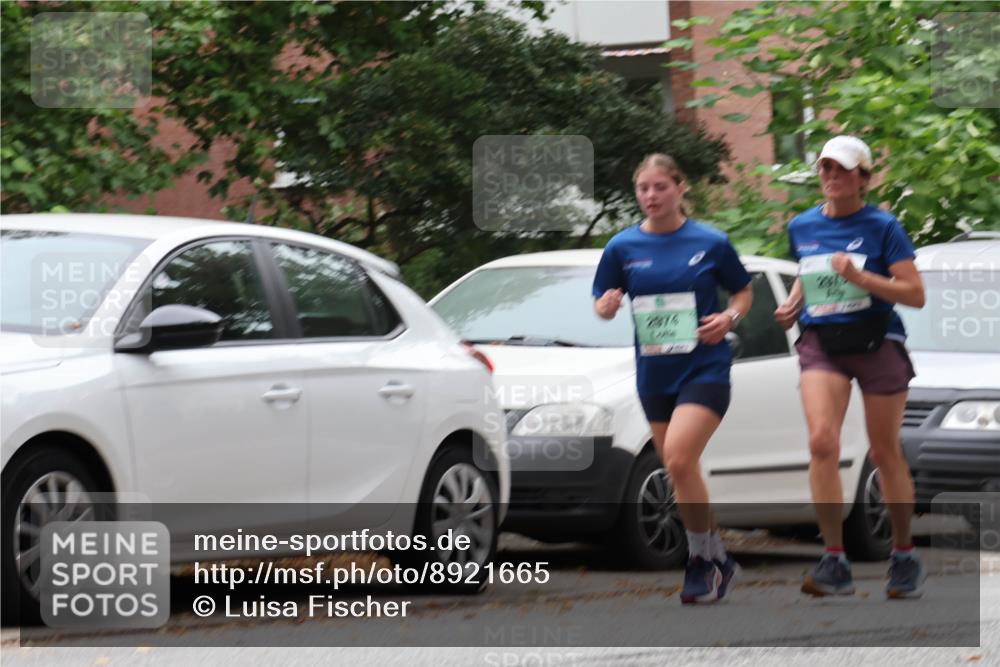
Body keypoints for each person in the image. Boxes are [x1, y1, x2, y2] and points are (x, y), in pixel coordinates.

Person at [593, 153, 753, 604]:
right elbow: (603, 300)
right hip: (654, 373)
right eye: (643, 188)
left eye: (660, 186)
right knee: (678, 471)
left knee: (680, 460)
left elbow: (743, 290)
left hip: (705, 367)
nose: (651, 196)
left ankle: (700, 560)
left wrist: (730, 317)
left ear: (681, 188)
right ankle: (718, 556)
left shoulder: (710, 241)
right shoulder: (621, 247)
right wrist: (605, 306)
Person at [773, 135, 927, 599]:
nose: (832, 177)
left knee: (884, 453)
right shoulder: (802, 225)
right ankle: (834, 559)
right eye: (825, 169)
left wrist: (861, 279)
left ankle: (903, 552)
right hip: (823, 342)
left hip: (877, 340)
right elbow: (809, 271)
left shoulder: (884, 226)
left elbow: (915, 294)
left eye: (841, 170)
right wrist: (793, 305)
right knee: (822, 441)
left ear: (864, 177)